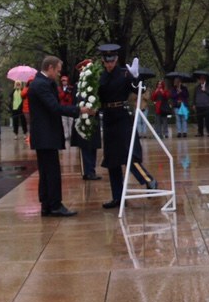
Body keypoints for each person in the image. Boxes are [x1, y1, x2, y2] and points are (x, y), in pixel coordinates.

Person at [28, 55, 92, 217]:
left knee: (46, 172)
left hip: (44, 135)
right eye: (57, 70)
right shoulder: (41, 85)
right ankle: (55, 205)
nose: (58, 73)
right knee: (52, 172)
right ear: (49, 68)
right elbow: (54, 107)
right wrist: (79, 110)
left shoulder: (41, 83)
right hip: (46, 135)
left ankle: (47, 205)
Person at [97, 44, 157, 210]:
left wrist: (137, 78)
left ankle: (149, 180)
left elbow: (140, 90)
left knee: (129, 154)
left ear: (116, 59)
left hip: (122, 117)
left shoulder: (125, 73)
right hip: (108, 117)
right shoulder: (99, 76)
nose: (109, 63)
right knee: (112, 159)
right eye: (107, 61)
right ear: (103, 61)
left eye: (112, 60)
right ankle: (117, 196)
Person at [70, 59, 102, 181]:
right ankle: (87, 171)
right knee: (85, 146)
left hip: (93, 118)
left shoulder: (95, 85)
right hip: (82, 119)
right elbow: (75, 103)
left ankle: (91, 170)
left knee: (92, 146)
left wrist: (96, 109)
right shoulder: (79, 86)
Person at [194, 73, 209, 137]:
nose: (201, 80)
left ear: (205, 79)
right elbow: (195, 96)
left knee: (208, 120)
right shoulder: (197, 87)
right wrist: (194, 104)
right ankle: (200, 132)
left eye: (203, 78)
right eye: (200, 79)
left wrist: (205, 90)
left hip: (207, 105)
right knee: (199, 120)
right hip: (199, 105)